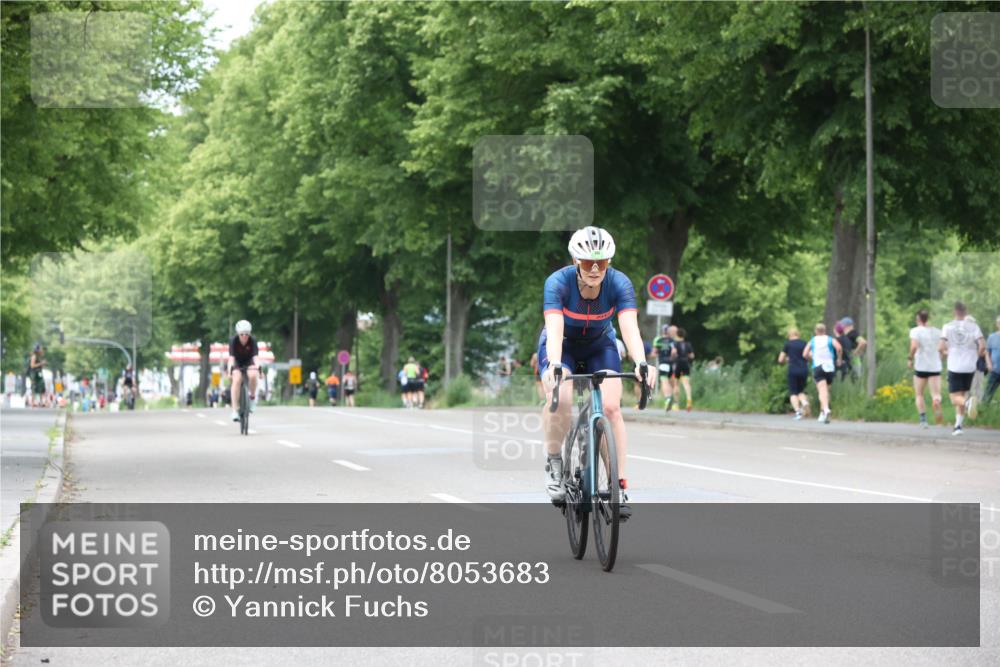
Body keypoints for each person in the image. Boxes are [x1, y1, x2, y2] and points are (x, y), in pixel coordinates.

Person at [539, 226, 651, 520]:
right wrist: (554, 364)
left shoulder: (619, 284)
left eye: (600, 263)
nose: (593, 269)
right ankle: (554, 461)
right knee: (561, 398)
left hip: (600, 344)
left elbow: (629, 329)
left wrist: (641, 362)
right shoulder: (558, 283)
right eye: (587, 262)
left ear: (608, 263)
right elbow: (554, 330)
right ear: (575, 261)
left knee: (612, 407)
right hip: (562, 345)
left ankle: (619, 486)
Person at [939, 302, 986, 436]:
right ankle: (958, 426)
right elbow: (982, 346)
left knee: (955, 398)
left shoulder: (947, 326)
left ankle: (968, 403)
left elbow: (940, 347)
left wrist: (946, 353)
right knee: (962, 394)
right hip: (970, 366)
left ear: (954, 311)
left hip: (955, 366)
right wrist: (974, 356)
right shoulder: (974, 326)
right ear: (966, 311)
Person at [908, 309, 943, 427]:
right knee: (936, 393)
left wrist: (910, 358)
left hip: (921, 366)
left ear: (918, 319)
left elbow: (914, 346)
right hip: (935, 367)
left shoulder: (915, 331)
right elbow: (942, 349)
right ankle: (936, 401)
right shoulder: (938, 332)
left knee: (919, 394)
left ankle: (923, 420)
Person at [804, 323, 842, 424]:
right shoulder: (830, 339)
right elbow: (839, 348)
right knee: (826, 391)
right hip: (830, 367)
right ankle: (823, 414)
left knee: (821, 391)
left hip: (818, 367)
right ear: (825, 330)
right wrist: (838, 359)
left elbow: (804, 354)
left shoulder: (812, 340)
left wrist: (812, 358)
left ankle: (825, 409)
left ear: (816, 331)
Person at [228, 320, 260, 421]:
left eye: (247, 334)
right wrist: (230, 371)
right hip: (237, 362)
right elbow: (231, 358)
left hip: (249, 361)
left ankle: (252, 397)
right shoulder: (233, 340)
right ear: (238, 333)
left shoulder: (253, 340)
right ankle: (234, 410)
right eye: (242, 334)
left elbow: (255, 357)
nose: (244, 336)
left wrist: (259, 368)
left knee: (253, 375)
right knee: (236, 379)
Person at [777, 327, 810, 419]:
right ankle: (804, 402)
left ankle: (798, 412)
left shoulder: (788, 344)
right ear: (798, 334)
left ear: (789, 335)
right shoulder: (804, 343)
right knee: (801, 390)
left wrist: (787, 359)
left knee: (793, 392)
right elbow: (809, 356)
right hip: (804, 369)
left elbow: (780, 359)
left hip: (793, 370)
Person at [670, 327, 695, 411]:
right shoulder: (688, 344)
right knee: (686, 383)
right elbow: (692, 356)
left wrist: (673, 356)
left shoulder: (675, 343)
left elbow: (673, 353)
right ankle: (689, 400)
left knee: (676, 384)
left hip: (678, 364)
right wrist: (686, 356)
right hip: (686, 364)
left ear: (677, 334)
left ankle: (676, 404)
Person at [652, 324, 675, 411]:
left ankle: (667, 398)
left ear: (662, 331)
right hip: (672, 364)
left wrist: (659, 353)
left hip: (663, 363)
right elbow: (674, 352)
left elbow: (653, 353)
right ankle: (671, 399)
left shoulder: (658, 340)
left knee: (664, 381)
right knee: (671, 382)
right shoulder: (672, 340)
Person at [984, 315, 1000, 405]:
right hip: (995, 370)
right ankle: (983, 411)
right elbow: (987, 353)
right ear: (997, 324)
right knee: (987, 395)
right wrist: (989, 364)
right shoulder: (992, 337)